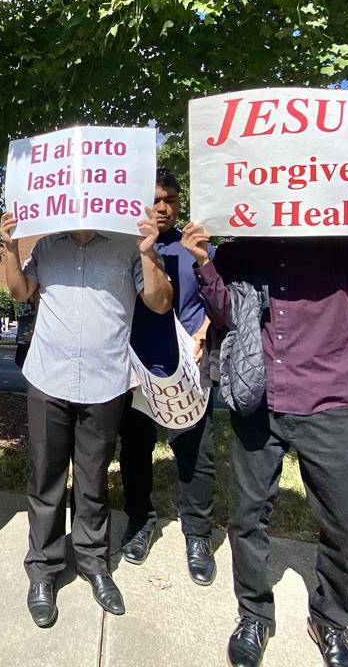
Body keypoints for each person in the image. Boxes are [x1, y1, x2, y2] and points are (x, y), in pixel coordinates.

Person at [182, 155, 348, 667]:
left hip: (329, 402)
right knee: (247, 520)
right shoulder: (241, 249)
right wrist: (204, 263)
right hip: (257, 404)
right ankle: (255, 616)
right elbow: (223, 314)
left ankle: (330, 620)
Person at [1, 210, 173, 628]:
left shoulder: (129, 244)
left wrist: (149, 254)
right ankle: (43, 571)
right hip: (48, 377)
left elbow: (160, 301)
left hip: (106, 381)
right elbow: (21, 292)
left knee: (94, 480)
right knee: (45, 480)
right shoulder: (46, 246)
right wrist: (9, 249)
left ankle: (95, 565)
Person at [119, 168, 217, 586]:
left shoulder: (194, 245)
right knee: (135, 451)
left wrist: (207, 329)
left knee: (196, 454)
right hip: (138, 370)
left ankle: (197, 535)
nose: (163, 207)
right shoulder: (125, 246)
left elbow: (223, 294)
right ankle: (140, 522)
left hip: (188, 372)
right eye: (156, 199)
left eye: (171, 200)